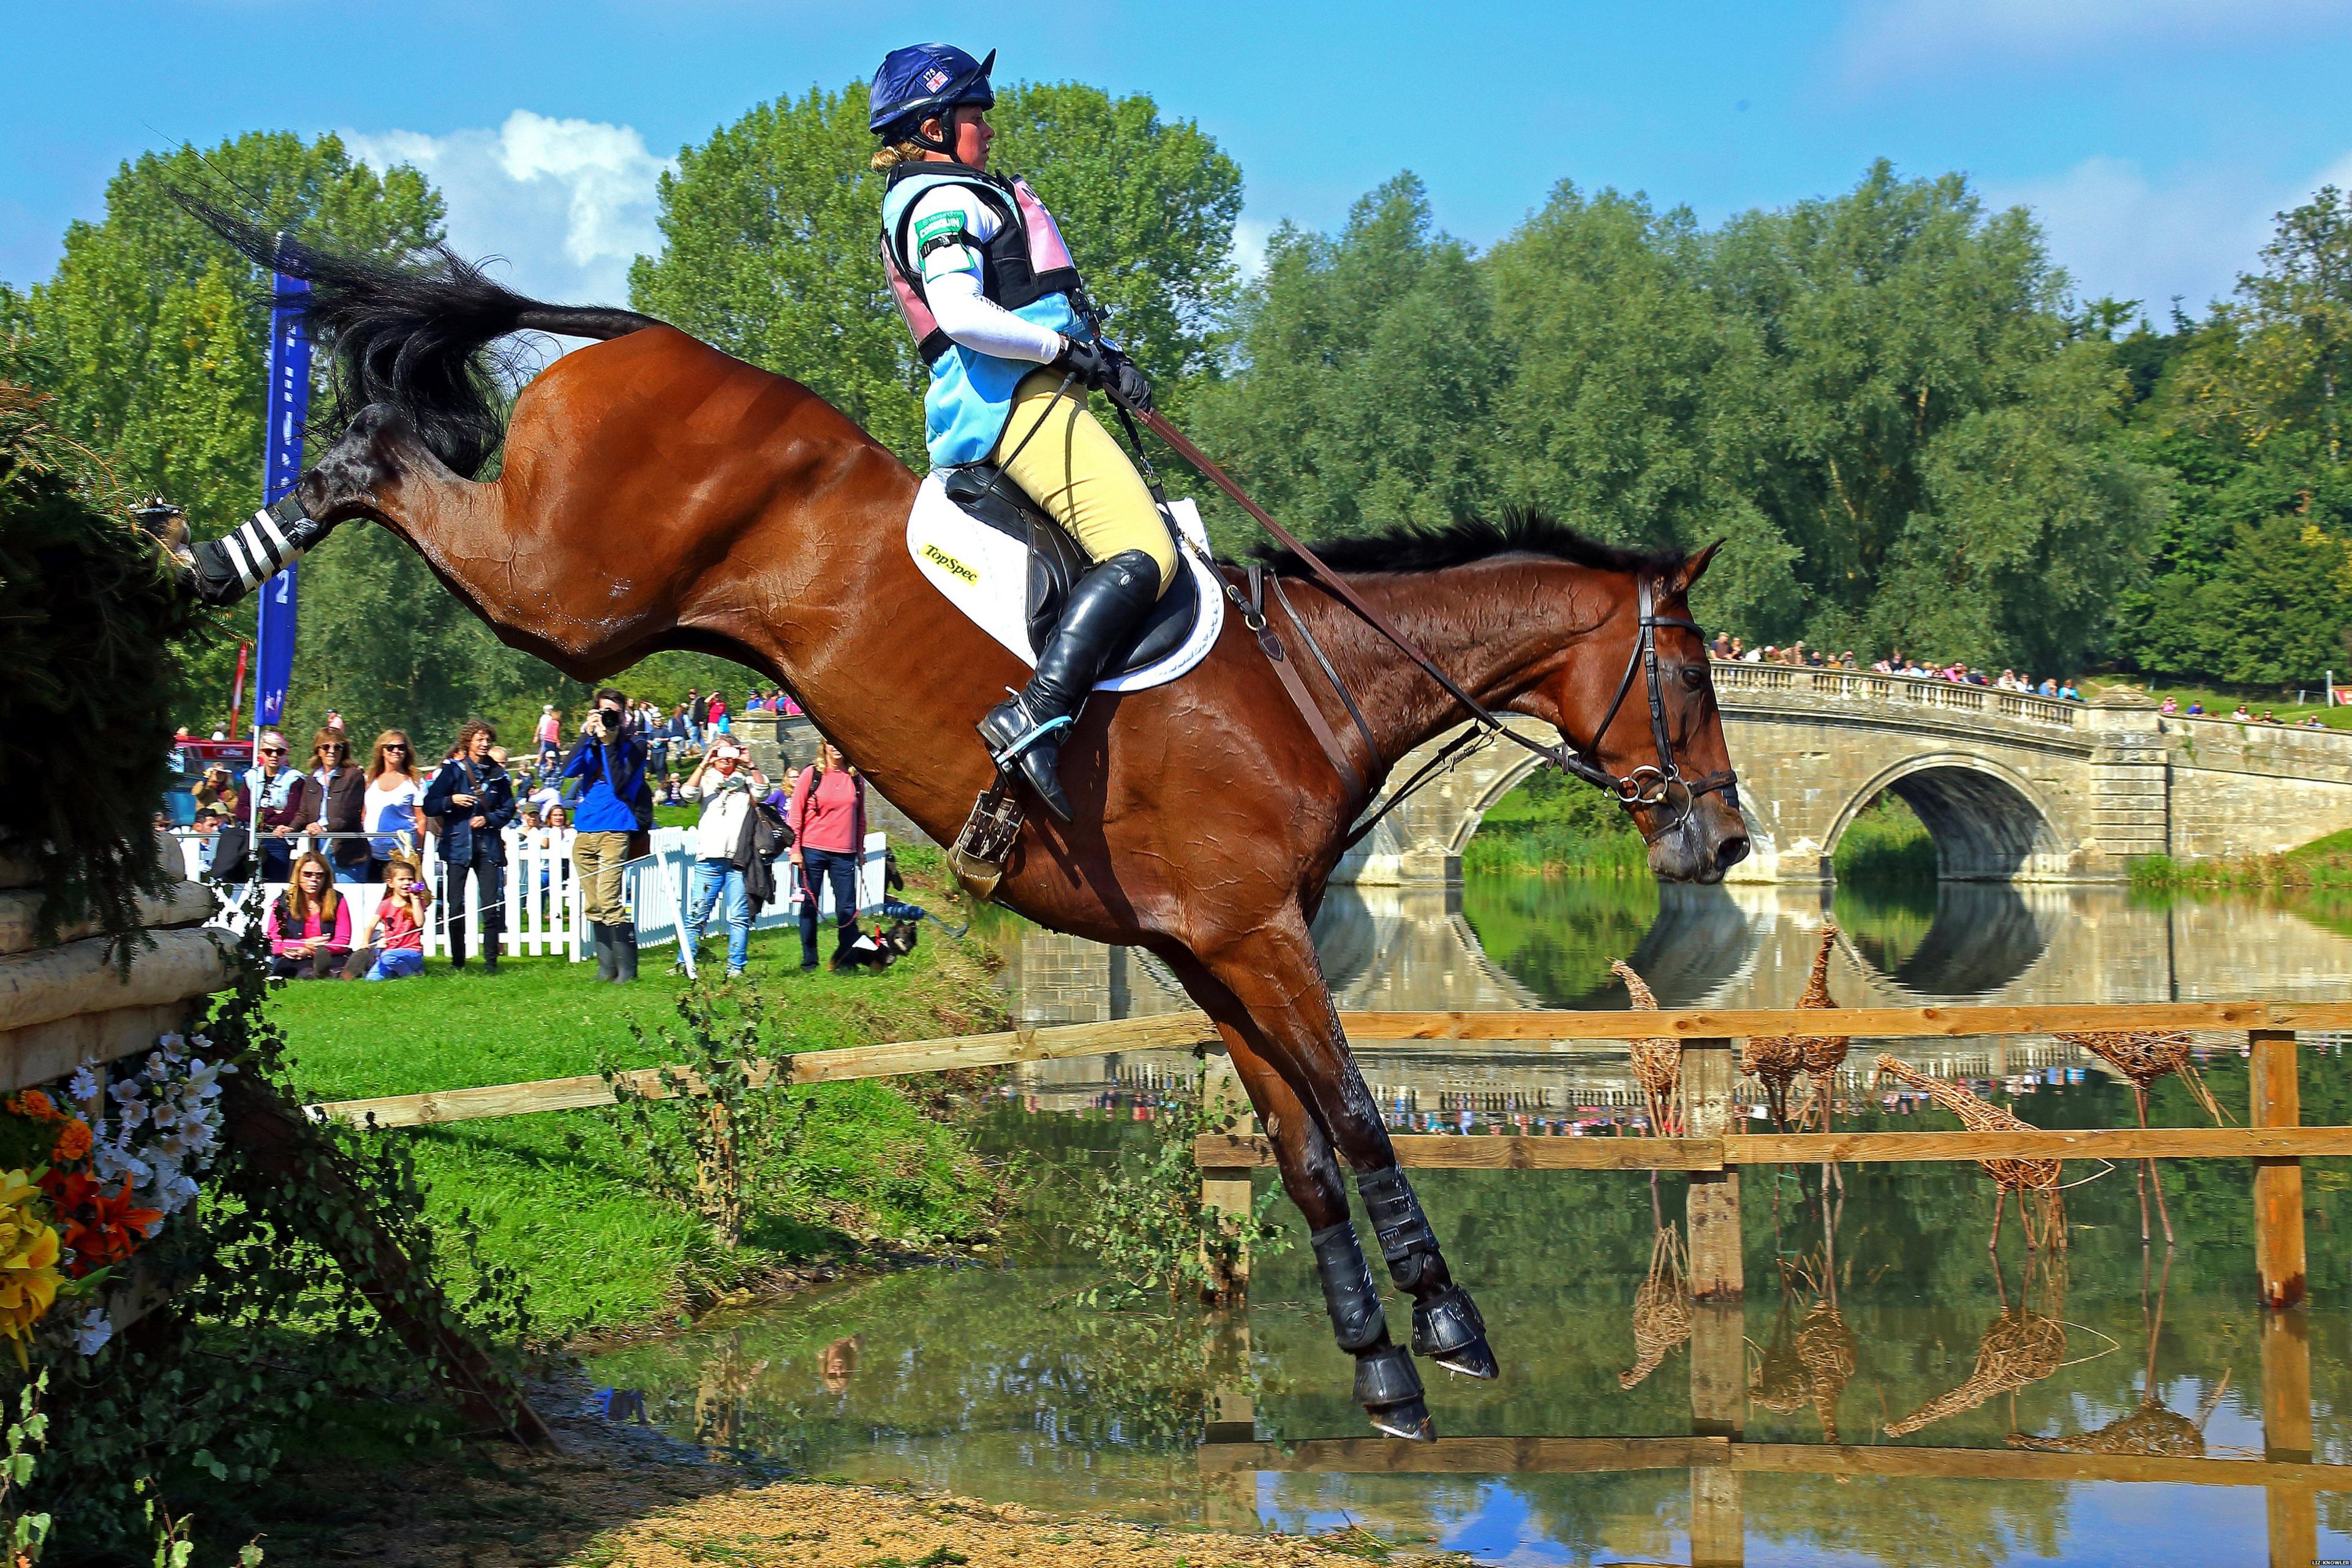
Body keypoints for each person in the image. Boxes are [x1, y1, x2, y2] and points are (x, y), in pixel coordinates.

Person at [870, 43, 1175, 823]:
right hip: (1015, 404)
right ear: (933, 125)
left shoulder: (956, 188)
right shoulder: (941, 200)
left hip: (1038, 391)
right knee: (1146, 554)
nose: (989, 130)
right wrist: (1068, 350)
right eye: (976, 116)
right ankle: (1035, 714)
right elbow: (966, 316)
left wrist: (1097, 356)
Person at [562, 687, 654, 982]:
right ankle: (606, 968)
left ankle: (628, 972)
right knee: (593, 903)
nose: (610, 717)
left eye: (615, 712)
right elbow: (567, 770)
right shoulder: (593, 742)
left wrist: (610, 743)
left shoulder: (637, 746)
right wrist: (587, 735)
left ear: (627, 715)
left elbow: (619, 783)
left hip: (615, 828)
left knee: (610, 900)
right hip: (585, 827)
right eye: (604, 712)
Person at [423, 720, 518, 972]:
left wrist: (487, 818)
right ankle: (458, 961)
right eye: (480, 739)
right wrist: (451, 799)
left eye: (488, 740)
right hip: (457, 845)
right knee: (455, 905)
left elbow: (508, 809)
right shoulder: (453, 771)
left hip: (488, 846)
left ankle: (491, 963)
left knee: (491, 905)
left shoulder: (498, 774)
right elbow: (429, 805)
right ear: (468, 742)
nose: (485, 744)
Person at [681, 737, 771, 978]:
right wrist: (705, 761)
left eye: (730, 752)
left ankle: (736, 967)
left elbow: (763, 792)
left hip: (739, 859)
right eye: (720, 751)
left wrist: (750, 763)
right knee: (697, 914)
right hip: (710, 856)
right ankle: (685, 962)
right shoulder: (706, 780)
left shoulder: (746, 782)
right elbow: (688, 793)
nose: (725, 757)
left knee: (739, 916)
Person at [789, 738, 865, 970]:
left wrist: (860, 849)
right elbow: (795, 814)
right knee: (810, 906)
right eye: (830, 743)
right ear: (824, 747)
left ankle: (846, 960)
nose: (836, 748)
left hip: (844, 853)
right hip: (813, 850)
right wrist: (796, 850)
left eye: (840, 744)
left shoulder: (855, 778)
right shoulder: (811, 775)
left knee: (847, 909)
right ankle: (810, 960)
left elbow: (860, 818)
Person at [244, 729, 316, 882]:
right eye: (269, 751)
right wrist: (272, 813)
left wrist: (258, 814)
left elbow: (291, 813)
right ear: (261, 753)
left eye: (279, 752)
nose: (274, 755)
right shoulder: (251, 777)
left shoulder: (295, 779)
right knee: (246, 881)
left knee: (276, 883)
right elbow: (241, 811)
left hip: (279, 838)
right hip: (251, 836)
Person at [267, 853, 352, 979]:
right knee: (299, 967)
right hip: (293, 956)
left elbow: (343, 941)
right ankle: (320, 974)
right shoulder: (283, 902)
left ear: (326, 878)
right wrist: (305, 944)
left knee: (336, 964)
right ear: (298, 875)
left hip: (329, 954)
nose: (314, 880)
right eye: (307, 874)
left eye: (320, 875)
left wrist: (311, 951)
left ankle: (336, 973)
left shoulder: (337, 900)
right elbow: (274, 942)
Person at [306, 730, 370, 884]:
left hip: (347, 851)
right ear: (318, 751)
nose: (332, 751)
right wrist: (290, 828)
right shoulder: (312, 778)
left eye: (338, 747)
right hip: (318, 847)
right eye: (326, 747)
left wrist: (325, 828)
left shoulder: (353, 776)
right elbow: (303, 813)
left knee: (347, 900)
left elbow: (350, 814)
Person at [355, 855, 431, 981]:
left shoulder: (417, 902)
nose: (407, 883)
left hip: (411, 952)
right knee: (371, 979)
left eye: (410, 879)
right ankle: (398, 972)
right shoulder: (386, 904)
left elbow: (419, 923)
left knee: (388, 957)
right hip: (390, 952)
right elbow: (371, 926)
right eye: (401, 879)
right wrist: (365, 942)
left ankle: (412, 976)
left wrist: (415, 899)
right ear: (391, 883)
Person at [363, 731, 424, 882]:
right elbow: (363, 814)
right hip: (372, 853)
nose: (396, 751)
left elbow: (421, 820)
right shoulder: (369, 779)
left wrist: (419, 852)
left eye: (401, 747)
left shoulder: (415, 782)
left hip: (401, 853)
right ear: (382, 751)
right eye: (391, 747)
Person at [537, 705, 563, 770]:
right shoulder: (556, 723)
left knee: (547, 753)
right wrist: (558, 742)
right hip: (552, 740)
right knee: (556, 754)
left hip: (546, 739)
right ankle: (557, 766)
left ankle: (544, 765)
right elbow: (555, 733)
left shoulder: (550, 722)